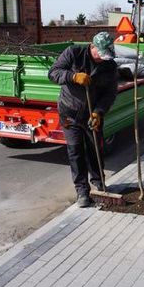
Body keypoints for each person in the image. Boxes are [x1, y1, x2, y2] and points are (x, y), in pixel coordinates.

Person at [48, 32, 119, 207]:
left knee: (95, 148)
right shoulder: (73, 53)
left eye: (106, 56)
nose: (103, 59)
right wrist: (73, 77)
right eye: (100, 55)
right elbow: (53, 73)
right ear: (92, 46)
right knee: (76, 151)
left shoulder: (109, 66)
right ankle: (82, 191)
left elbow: (110, 93)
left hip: (91, 114)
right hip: (69, 113)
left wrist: (99, 112)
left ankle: (99, 181)